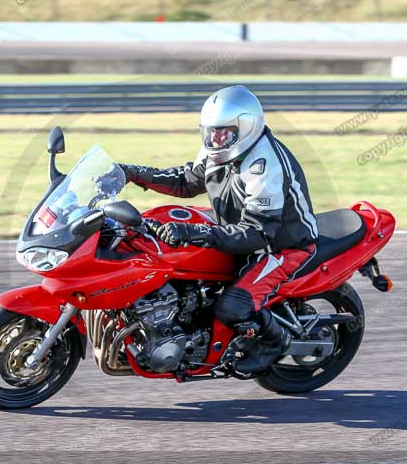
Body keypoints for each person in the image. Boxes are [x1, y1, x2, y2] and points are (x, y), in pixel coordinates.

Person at [119, 85, 319, 374]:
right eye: (210, 131)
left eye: (223, 132)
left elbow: (258, 233)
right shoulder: (218, 150)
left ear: (246, 127)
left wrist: (195, 234)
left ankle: (276, 340)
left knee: (232, 307)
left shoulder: (264, 166)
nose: (215, 138)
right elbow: (187, 181)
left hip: (281, 247)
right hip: (238, 231)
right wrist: (132, 173)